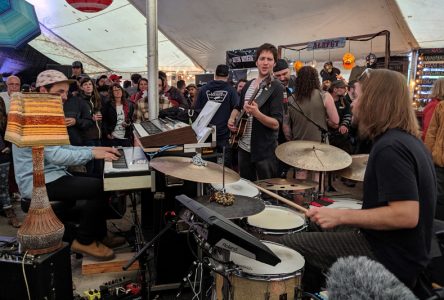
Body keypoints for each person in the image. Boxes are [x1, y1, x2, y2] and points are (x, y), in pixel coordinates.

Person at [280, 69, 436, 296]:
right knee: (314, 224)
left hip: (390, 256)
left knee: (289, 243)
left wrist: (341, 215)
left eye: (358, 96)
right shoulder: (408, 141)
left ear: (376, 101)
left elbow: (406, 214)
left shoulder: (390, 148)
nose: (353, 104)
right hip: (399, 249)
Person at [12, 70, 123, 260]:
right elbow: (56, 156)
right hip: (37, 183)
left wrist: (99, 150)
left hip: (54, 174)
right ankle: (85, 241)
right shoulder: (34, 116)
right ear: (42, 90)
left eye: (66, 92)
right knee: (100, 187)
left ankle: (100, 235)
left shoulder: (46, 111)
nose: (65, 97)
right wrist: (93, 153)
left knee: (102, 180)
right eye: (60, 92)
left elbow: (65, 148)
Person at [228, 43, 283, 181]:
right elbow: (238, 107)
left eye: (269, 59)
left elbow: (276, 124)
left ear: (274, 63)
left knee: (268, 191)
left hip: (264, 149)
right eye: (262, 58)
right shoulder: (248, 84)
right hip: (243, 146)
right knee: (246, 188)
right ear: (256, 61)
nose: (265, 63)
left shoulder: (276, 87)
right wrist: (232, 119)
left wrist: (257, 113)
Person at [195, 64, 239, 167]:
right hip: (224, 135)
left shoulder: (203, 89)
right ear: (227, 76)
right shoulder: (231, 90)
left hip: (206, 135)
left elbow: (197, 110)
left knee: (207, 165)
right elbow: (237, 107)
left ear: (215, 74)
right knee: (225, 170)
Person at [0, 96, 21, 228]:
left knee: (3, 186)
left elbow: (12, 134)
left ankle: (10, 214)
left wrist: (7, 146)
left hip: (2, 156)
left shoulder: (5, 119)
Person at [425, 100, 444, 220]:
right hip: (439, 163)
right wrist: (429, 156)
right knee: (437, 199)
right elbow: (431, 133)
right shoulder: (441, 106)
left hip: (438, 161)